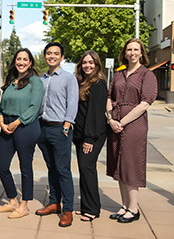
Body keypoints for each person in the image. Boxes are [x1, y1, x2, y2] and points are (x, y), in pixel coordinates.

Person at [106, 38, 157, 223]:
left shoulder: (147, 75)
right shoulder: (119, 74)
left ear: (142, 52)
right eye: (129, 49)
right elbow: (110, 96)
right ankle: (124, 205)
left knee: (130, 164)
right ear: (125, 53)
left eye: (136, 49)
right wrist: (111, 119)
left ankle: (134, 209)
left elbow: (145, 103)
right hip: (115, 124)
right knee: (117, 165)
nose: (132, 53)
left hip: (134, 126)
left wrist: (122, 122)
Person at [0, 48, 44, 219]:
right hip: (6, 125)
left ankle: (24, 205)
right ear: (14, 61)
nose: (21, 62)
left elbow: (34, 107)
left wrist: (15, 123)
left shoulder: (35, 82)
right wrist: (1, 121)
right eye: (18, 59)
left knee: (25, 167)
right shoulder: (11, 81)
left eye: (25, 59)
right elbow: (1, 105)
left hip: (25, 126)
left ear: (30, 62)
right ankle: (13, 200)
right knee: (1, 166)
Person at [35, 42, 79, 227]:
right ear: (45, 56)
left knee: (63, 170)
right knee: (51, 168)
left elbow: (73, 103)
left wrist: (67, 125)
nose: (52, 56)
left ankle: (67, 209)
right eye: (49, 53)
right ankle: (54, 203)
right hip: (42, 128)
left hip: (60, 128)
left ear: (62, 57)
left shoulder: (69, 78)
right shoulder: (41, 79)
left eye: (56, 54)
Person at [74, 50, 108, 222]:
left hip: (93, 134)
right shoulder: (82, 81)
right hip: (80, 133)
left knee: (87, 167)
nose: (87, 66)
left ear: (97, 64)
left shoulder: (99, 83)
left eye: (91, 63)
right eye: (85, 63)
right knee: (83, 168)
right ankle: (86, 206)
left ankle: (93, 209)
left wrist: (89, 138)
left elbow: (95, 113)